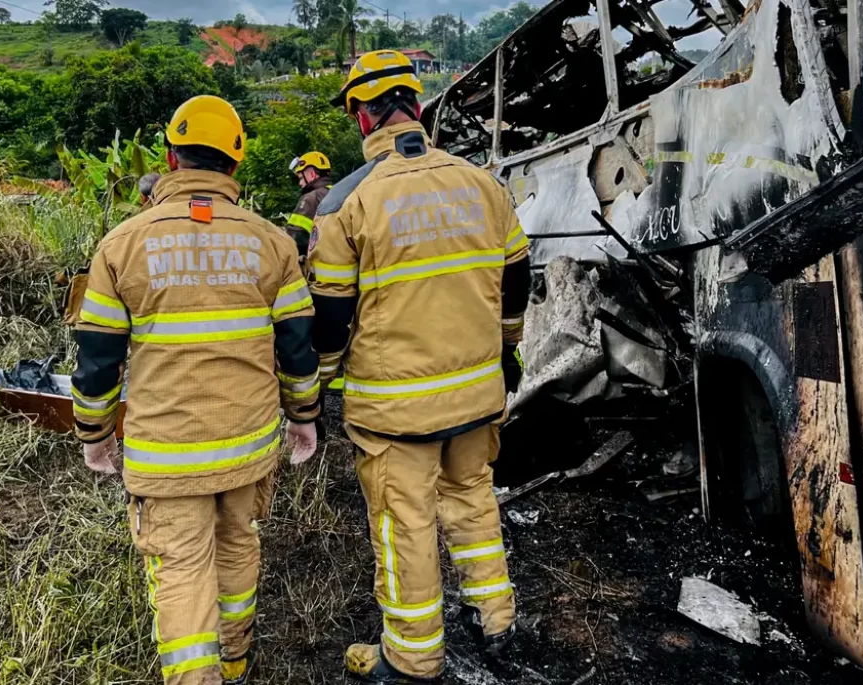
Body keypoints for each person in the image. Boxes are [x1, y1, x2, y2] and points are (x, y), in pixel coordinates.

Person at [70, 95, 321, 685]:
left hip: (166, 452)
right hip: (248, 446)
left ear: (170, 157)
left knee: (181, 568)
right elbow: (297, 348)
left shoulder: (122, 244)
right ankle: (234, 662)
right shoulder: (272, 243)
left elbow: (98, 359)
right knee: (237, 546)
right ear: (234, 164)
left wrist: (94, 436)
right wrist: (304, 417)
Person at [308, 50, 531, 682]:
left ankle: (412, 658)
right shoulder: (482, 183)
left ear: (360, 117)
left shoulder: (345, 204)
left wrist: (322, 382)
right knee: (471, 498)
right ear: (419, 106)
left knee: (405, 525)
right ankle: (496, 619)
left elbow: (330, 316)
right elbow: (517, 278)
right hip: (477, 391)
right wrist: (507, 348)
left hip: (395, 408)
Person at [283, 152, 333, 264]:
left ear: (311, 174)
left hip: (317, 269)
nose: (300, 184)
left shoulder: (310, 199)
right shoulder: (338, 193)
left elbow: (295, 238)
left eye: (301, 178)